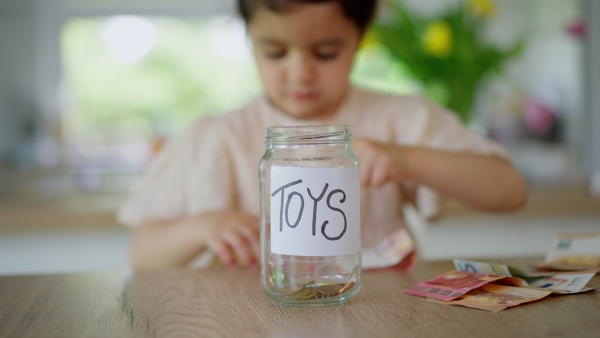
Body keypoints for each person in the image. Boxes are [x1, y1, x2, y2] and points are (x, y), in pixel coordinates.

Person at [118, 0, 527, 270]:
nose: (300, 73)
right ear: (249, 38)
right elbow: (142, 255)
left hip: (378, 312)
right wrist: (201, 227)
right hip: (247, 318)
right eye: (275, 52)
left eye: (326, 52)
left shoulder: (399, 118)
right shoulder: (217, 137)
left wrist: (407, 160)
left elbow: (509, 191)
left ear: (360, 38)